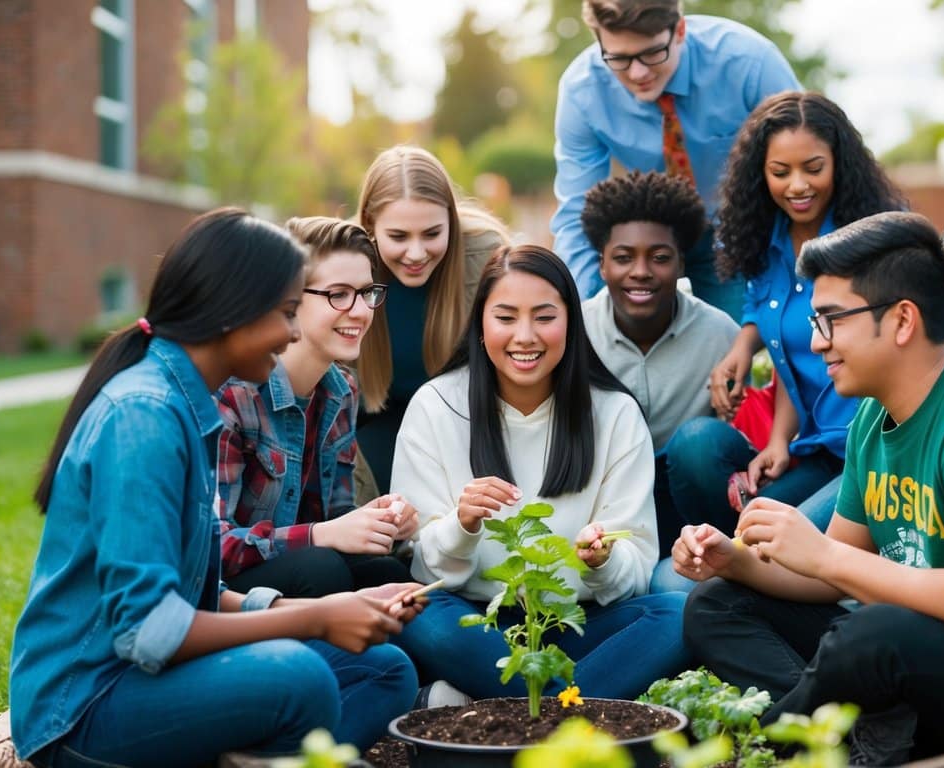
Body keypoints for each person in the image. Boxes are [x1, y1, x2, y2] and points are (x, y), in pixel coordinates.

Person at [675, 212, 944, 764]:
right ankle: (842, 737)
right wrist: (733, 560)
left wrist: (825, 555)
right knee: (716, 605)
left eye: (831, 319)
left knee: (875, 637)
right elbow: (833, 575)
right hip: (922, 651)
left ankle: (773, 742)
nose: (815, 340)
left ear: (902, 321)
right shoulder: (872, 422)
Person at [9, 209, 422, 766]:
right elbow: (150, 630)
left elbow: (198, 593)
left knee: (384, 669)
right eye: (284, 312)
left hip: (147, 676)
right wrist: (316, 618)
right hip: (83, 706)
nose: (294, 332)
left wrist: (324, 605)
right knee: (299, 679)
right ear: (234, 316)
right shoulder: (144, 416)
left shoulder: (185, 404)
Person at [666, 91, 944, 541]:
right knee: (734, 517)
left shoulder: (872, 245)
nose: (797, 185)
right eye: (779, 172)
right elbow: (794, 348)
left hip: (879, 449)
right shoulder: (762, 242)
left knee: (770, 548)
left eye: (813, 168)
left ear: (839, 163)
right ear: (759, 174)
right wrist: (753, 372)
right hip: (820, 446)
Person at [390, 245, 690, 701]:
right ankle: (568, 712)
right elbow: (424, 565)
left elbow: (637, 570)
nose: (525, 336)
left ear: (571, 320)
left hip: (573, 624)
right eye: (506, 317)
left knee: (677, 613)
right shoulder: (436, 406)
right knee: (416, 610)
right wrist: (461, 524)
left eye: (544, 317)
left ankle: (500, 707)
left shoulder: (614, 413)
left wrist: (603, 561)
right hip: (476, 626)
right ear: (481, 324)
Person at [551, 0, 799, 317]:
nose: (638, 72)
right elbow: (576, 212)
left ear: (679, 30)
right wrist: (573, 308)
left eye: (653, 53)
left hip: (734, 228)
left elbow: (803, 159)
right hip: (648, 238)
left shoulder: (748, 63)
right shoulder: (581, 92)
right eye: (619, 58)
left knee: (730, 346)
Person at [216, 216, 415, 600]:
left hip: (301, 567)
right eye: (338, 294)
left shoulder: (342, 392)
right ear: (289, 300)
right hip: (228, 592)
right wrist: (321, 535)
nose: (360, 311)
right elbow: (212, 544)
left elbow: (335, 515)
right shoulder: (234, 394)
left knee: (387, 572)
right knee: (321, 569)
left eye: (366, 292)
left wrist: (378, 520)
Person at [578, 170, 739, 554]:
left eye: (660, 258)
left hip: (689, 498)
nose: (641, 272)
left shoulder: (722, 335)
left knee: (698, 442)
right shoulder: (572, 334)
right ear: (602, 265)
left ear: (681, 264)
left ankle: (723, 562)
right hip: (605, 501)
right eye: (623, 258)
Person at [354, 145, 512, 495]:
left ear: (450, 222)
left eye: (431, 234)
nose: (415, 253)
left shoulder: (485, 256)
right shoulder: (346, 266)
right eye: (398, 236)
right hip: (380, 419)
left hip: (470, 420)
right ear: (370, 226)